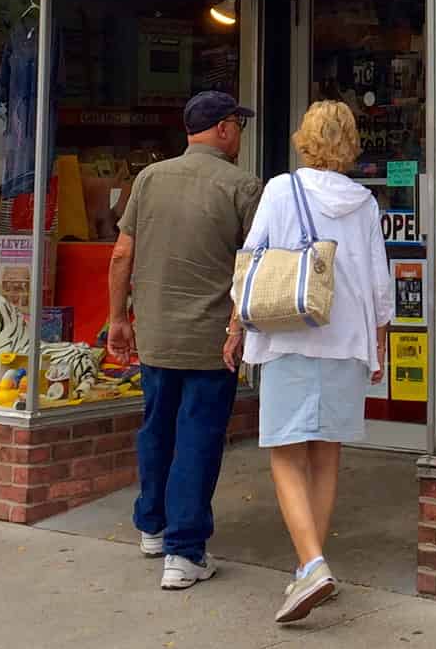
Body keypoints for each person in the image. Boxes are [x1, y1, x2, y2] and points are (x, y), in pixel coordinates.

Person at [236, 99, 393, 625]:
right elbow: (378, 282)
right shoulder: (366, 203)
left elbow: (252, 260)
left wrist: (235, 326)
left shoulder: (282, 189)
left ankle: (312, 564)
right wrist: (380, 342)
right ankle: (311, 564)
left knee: (285, 452)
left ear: (304, 138)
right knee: (326, 454)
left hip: (291, 336)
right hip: (348, 340)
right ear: (350, 144)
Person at [107, 90, 261, 591]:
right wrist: (239, 328)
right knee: (198, 437)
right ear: (222, 128)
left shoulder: (148, 179)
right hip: (211, 338)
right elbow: (253, 267)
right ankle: (185, 552)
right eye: (239, 123)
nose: (241, 133)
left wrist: (118, 318)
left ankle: (151, 525)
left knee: (156, 428)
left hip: (155, 332)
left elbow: (120, 255)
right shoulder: (242, 186)